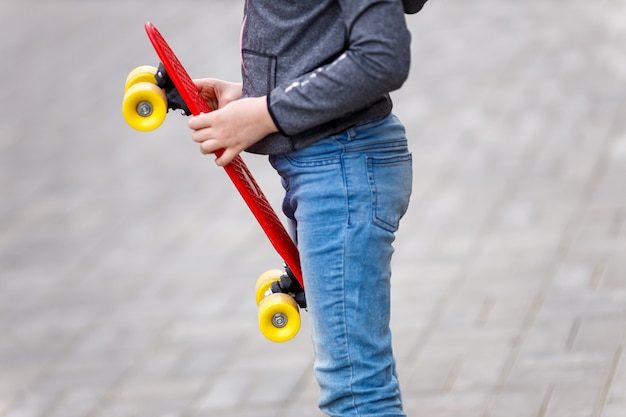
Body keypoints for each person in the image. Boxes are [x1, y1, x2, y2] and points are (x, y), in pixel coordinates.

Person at [188, 1, 427, 416]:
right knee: (355, 384)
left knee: (356, 391)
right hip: (332, 166)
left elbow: (381, 56)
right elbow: (321, 30)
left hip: (341, 170)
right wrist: (257, 95)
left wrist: (266, 113)